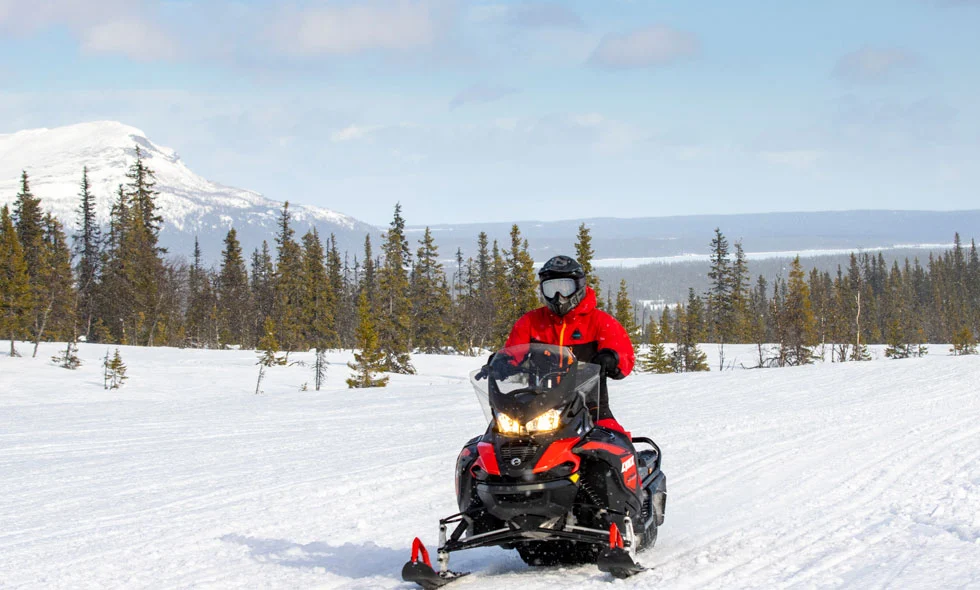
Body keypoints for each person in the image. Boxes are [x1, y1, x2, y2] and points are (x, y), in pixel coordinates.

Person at [503, 255, 635, 434]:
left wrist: (611, 358)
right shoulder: (530, 322)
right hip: (539, 409)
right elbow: (512, 352)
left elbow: (624, 356)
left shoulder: (600, 322)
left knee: (615, 445)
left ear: (578, 287)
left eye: (565, 287)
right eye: (551, 289)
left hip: (590, 406)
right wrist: (501, 363)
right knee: (497, 443)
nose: (558, 296)